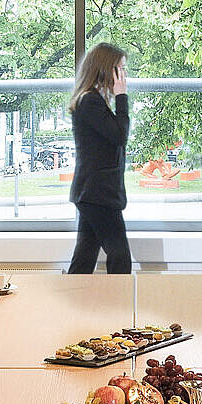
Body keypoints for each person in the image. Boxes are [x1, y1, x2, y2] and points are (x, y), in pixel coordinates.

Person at [66, 41, 133, 274]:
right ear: (106, 69)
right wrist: (122, 97)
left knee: (84, 259)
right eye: (120, 69)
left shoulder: (94, 100)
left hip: (94, 193)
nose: (123, 76)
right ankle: (118, 298)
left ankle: (73, 297)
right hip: (97, 194)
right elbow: (119, 135)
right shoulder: (90, 101)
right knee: (120, 257)